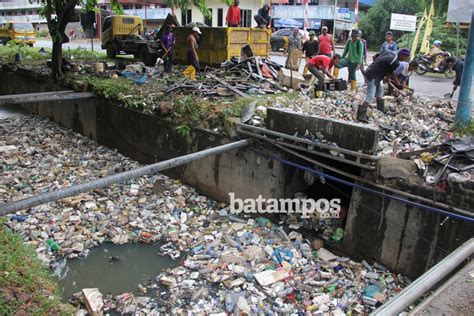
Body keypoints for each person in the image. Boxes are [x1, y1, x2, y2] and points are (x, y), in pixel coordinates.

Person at [357, 48, 410, 122]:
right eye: (405, 57)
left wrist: (386, 77)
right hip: (372, 76)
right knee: (370, 95)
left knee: (379, 92)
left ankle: (381, 109)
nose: (405, 59)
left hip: (372, 72)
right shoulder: (395, 62)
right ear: (402, 55)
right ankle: (361, 115)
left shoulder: (390, 52)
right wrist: (397, 82)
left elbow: (376, 57)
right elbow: (391, 73)